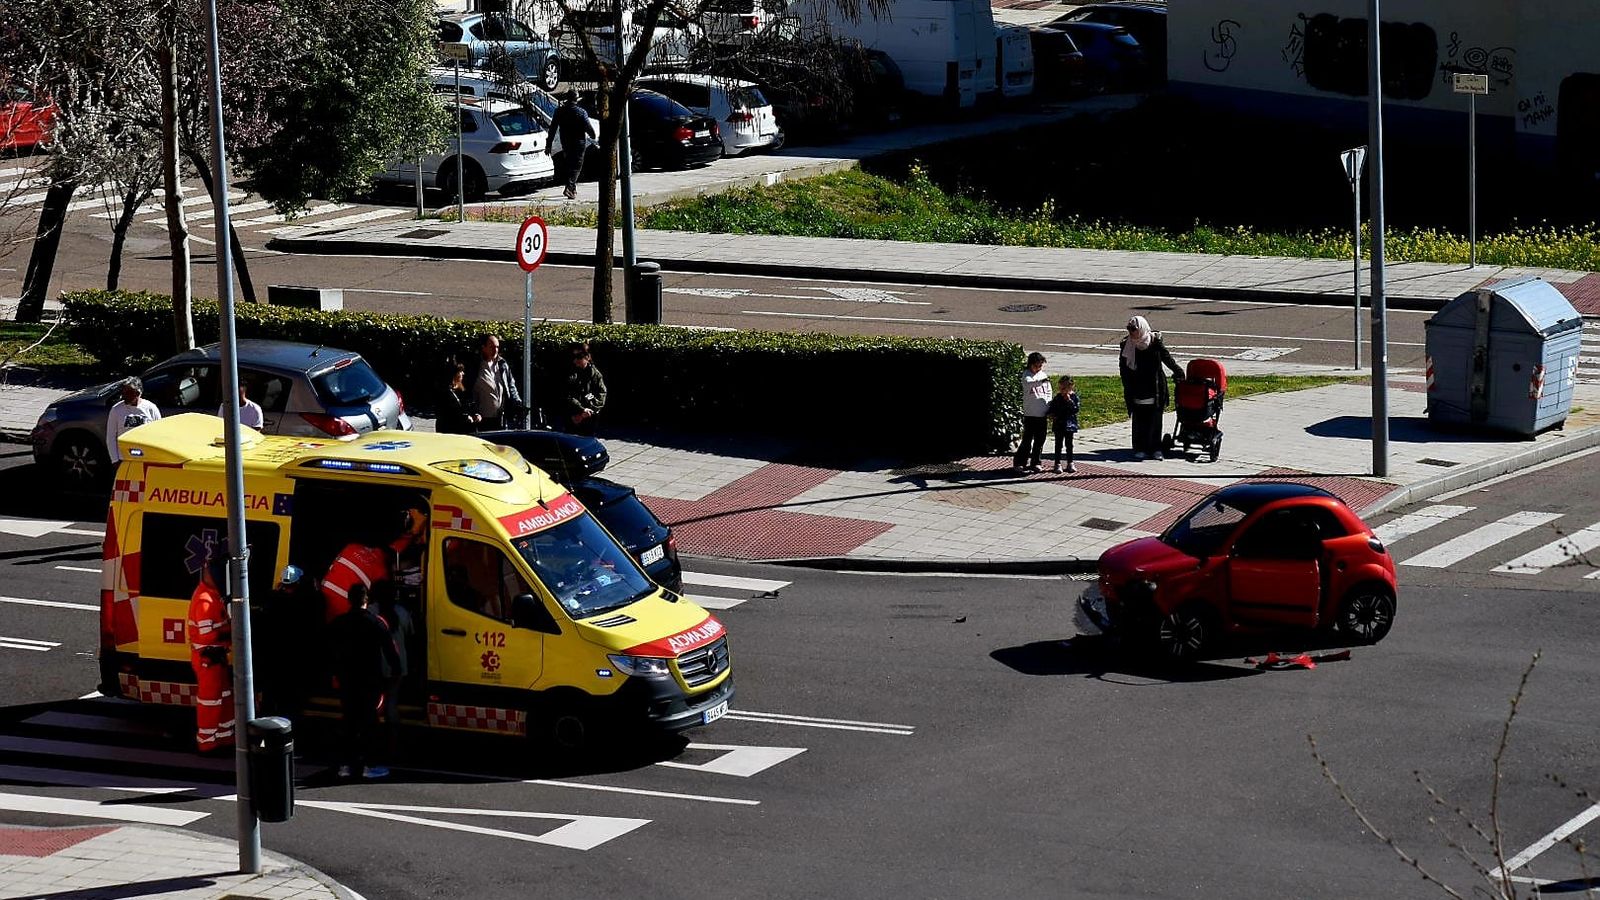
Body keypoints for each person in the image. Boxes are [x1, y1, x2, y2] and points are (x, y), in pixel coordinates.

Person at [326, 583, 402, 780]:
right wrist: (396, 670)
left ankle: (345, 764)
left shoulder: (339, 622)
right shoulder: (376, 623)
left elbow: (328, 649)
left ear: (349, 600)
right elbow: (390, 651)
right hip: (369, 679)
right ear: (366, 600)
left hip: (346, 679)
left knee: (348, 721)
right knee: (369, 721)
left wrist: (334, 672)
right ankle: (370, 764)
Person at [187, 541, 234, 754]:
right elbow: (209, 636)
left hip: (216, 658)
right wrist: (233, 633)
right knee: (210, 702)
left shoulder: (213, 596)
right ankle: (207, 742)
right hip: (208, 659)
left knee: (222, 698)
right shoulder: (205, 602)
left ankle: (223, 738)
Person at [1119, 315, 1185, 460]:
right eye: (1129, 329)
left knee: (1155, 420)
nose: (1131, 332)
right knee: (1139, 420)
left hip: (1155, 387)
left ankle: (1156, 448)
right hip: (1137, 388)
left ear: (1141, 328)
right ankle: (1140, 448)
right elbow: (1123, 367)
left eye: (1134, 329)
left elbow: (1167, 358)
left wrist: (1179, 371)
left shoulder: (1154, 342)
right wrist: (1127, 385)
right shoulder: (1127, 345)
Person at [321, 540, 392, 624]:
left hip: (322, 598)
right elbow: (384, 593)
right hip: (342, 610)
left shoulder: (351, 546)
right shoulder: (381, 569)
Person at [469, 333, 525, 431]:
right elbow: (468, 390)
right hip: (482, 419)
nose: (495, 350)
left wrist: (517, 402)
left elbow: (511, 385)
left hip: (500, 418)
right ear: (484, 348)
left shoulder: (502, 364)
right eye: (492, 347)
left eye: (497, 347)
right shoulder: (476, 366)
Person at [546, 88, 594, 200]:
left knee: (569, 164)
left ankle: (572, 189)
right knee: (577, 166)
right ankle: (570, 187)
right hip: (579, 143)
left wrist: (548, 145)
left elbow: (552, 129)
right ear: (576, 99)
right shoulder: (581, 112)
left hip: (566, 142)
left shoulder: (559, 111)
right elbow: (589, 129)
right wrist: (593, 135)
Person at [106, 377, 161, 466]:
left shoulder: (151, 408)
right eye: (123, 393)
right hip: (124, 458)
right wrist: (115, 460)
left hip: (147, 458)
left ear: (138, 393)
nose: (124, 396)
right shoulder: (116, 410)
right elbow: (111, 437)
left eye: (128, 393)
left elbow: (158, 435)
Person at [1012, 352, 1051, 474]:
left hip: (1042, 414)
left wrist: (1049, 406)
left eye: (1041, 366)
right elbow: (1029, 384)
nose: (1039, 368)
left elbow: (1048, 392)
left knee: (1040, 440)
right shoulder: (1026, 375)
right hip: (1030, 414)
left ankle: (1036, 462)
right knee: (1027, 440)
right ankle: (1020, 462)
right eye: (1037, 366)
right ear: (1031, 364)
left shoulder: (1043, 375)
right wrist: (1042, 380)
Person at [561, 342, 607, 436]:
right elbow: (568, 395)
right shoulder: (570, 373)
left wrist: (589, 410)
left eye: (579, 357)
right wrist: (581, 410)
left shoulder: (595, 374)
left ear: (587, 357)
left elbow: (601, 394)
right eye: (574, 357)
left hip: (589, 416)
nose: (575, 361)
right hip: (573, 416)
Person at [1047, 375, 1080, 474]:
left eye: (1064, 388)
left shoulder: (1074, 397)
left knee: (1069, 445)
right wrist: (1052, 414)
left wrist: (1069, 401)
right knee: (1058, 445)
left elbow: (1075, 409)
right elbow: (1052, 407)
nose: (1062, 390)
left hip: (1069, 424)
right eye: (1060, 388)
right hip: (1059, 424)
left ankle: (1070, 462)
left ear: (1071, 387)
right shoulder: (1058, 397)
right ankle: (1057, 463)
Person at [437, 360, 481, 435]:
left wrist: (476, 414)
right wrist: (465, 418)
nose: (463, 374)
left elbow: (470, 404)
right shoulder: (444, 393)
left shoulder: (462, 389)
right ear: (454, 374)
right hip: (451, 431)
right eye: (460, 371)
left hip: (465, 430)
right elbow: (449, 413)